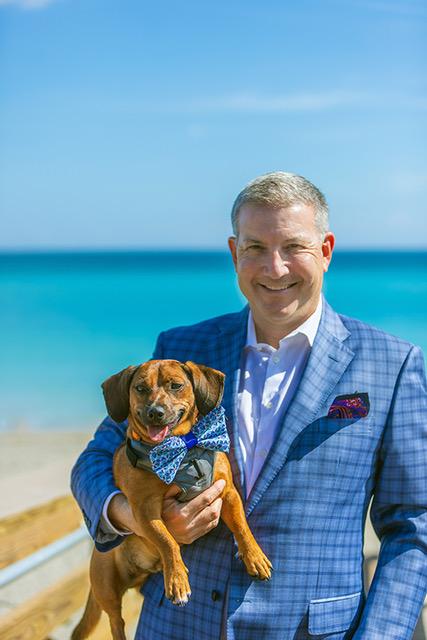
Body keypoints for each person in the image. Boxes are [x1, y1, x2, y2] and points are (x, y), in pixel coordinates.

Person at [71, 172, 427, 640]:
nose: (274, 268)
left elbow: (412, 527)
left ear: (325, 251)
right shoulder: (182, 348)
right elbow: (94, 462)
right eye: (256, 247)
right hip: (175, 627)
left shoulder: (393, 364)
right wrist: (131, 516)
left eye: (294, 247)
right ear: (235, 253)